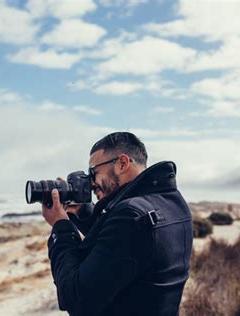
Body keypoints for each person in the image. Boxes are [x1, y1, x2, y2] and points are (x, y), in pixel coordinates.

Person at [42, 132, 193, 316]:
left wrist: (61, 227)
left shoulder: (131, 216)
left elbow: (75, 298)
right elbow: (121, 247)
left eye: (93, 172)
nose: (91, 183)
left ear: (122, 163)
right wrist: (81, 212)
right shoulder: (171, 202)